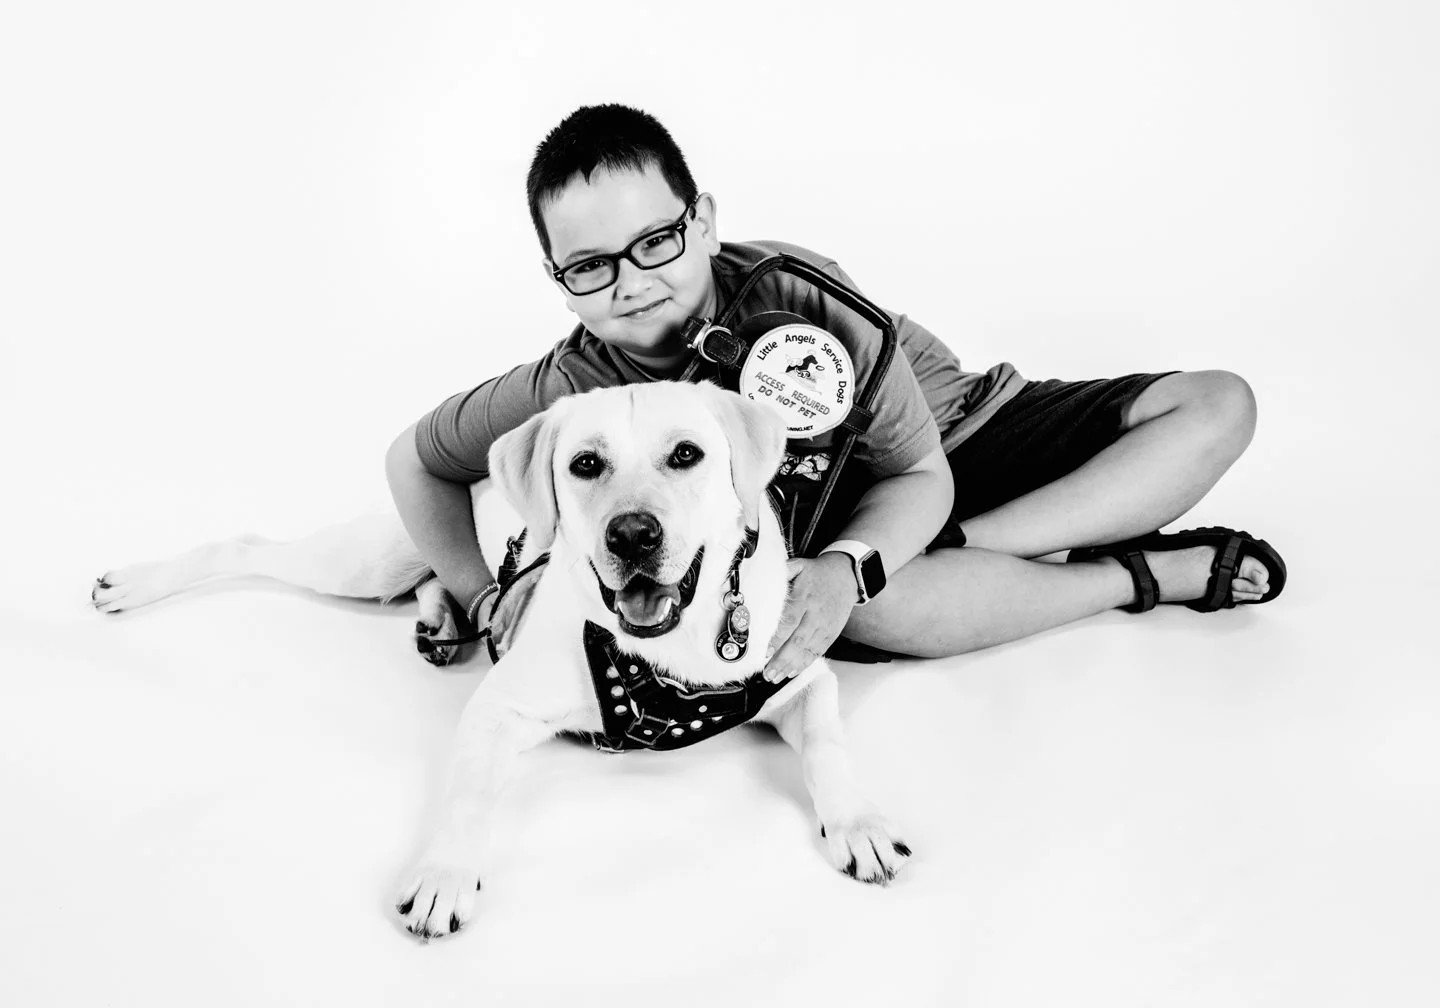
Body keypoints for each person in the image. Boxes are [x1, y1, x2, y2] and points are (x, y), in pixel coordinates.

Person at [385, 104, 1284, 683]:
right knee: (873, 599)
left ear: (701, 220)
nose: (630, 282)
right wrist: (481, 591)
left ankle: (987, 556)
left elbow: (922, 473)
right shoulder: (572, 388)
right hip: (839, 517)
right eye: (590, 266)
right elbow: (415, 460)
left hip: (955, 440)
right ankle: (1133, 577)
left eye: (655, 241)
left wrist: (886, 552)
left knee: (1217, 405)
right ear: (557, 278)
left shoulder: (799, 294)